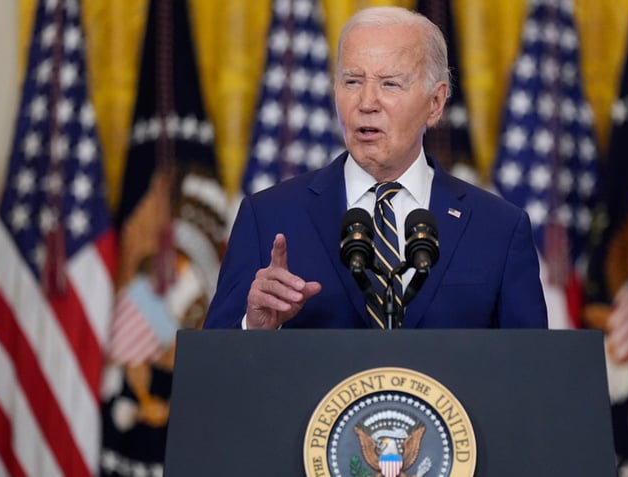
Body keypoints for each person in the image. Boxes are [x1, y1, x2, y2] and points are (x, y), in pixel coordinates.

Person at [203, 6, 547, 330]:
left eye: (390, 83)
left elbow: (530, 373)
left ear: (436, 102)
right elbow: (215, 374)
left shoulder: (499, 229)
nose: (366, 103)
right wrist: (254, 329)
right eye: (352, 81)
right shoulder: (267, 218)